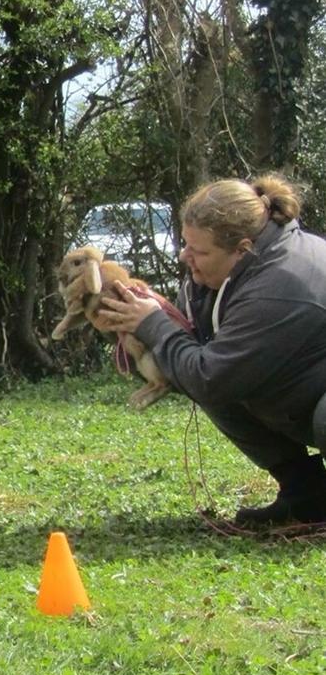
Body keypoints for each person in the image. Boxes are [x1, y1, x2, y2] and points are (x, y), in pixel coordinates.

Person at [100, 174, 326, 527]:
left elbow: (209, 377)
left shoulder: (279, 287)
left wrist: (155, 325)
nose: (185, 256)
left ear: (242, 248)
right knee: (216, 380)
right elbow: (189, 359)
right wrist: (137, 333)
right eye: (185, 244)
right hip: (304, 389)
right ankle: (307, 495)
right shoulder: (228, 274)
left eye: (199, 251)